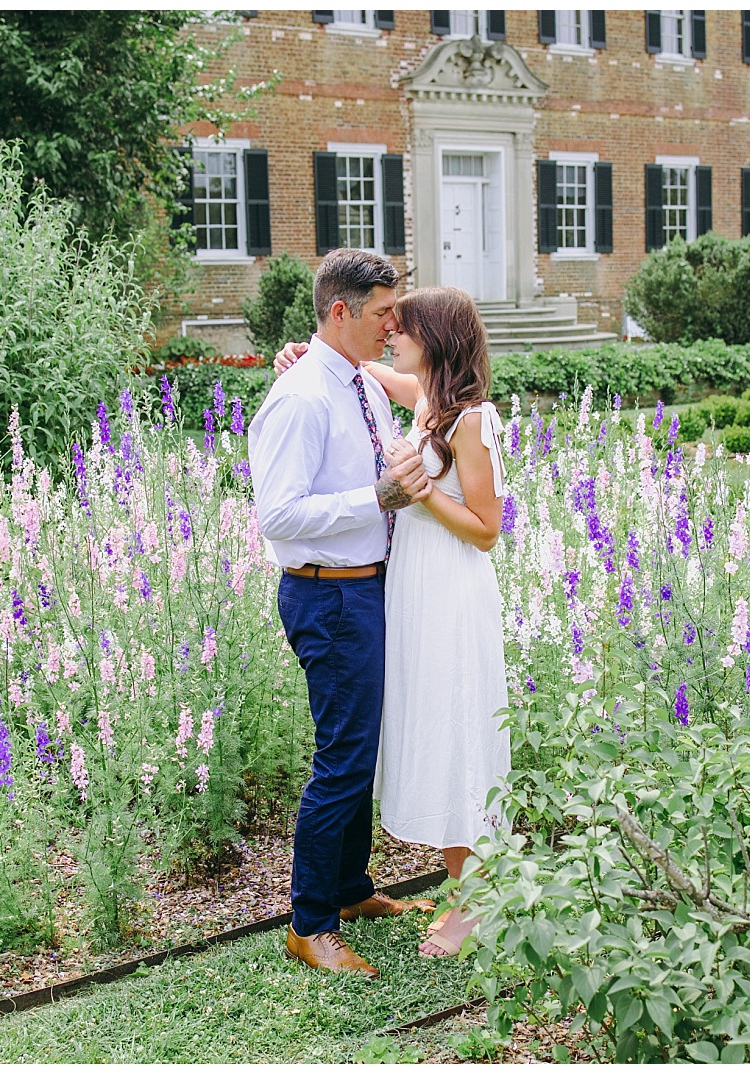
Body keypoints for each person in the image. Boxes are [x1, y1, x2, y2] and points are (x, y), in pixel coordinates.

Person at [273, 285, 510, 959]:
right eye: (387, 325)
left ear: (434, 337)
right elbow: (357, 366)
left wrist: (422, 490)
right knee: (436, 730)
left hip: (454, 593)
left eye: (402, 329)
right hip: (414, 593)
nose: (390, 338)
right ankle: (465, 888)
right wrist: (303, 353)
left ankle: (477, 903)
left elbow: (489, 531)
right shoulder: (429, 401)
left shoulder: (472, 419)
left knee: (462, 732)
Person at [247, 249, 437, 980]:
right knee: (342, 756)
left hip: (366, 586)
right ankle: (310, 923)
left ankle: (351, 890)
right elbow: (281, 515)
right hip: (327, 594)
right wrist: (379, 499)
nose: (396, 324)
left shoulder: (356, 380)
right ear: (340, 312)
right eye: (385, 312)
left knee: (362, 747)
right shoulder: (300, 399)